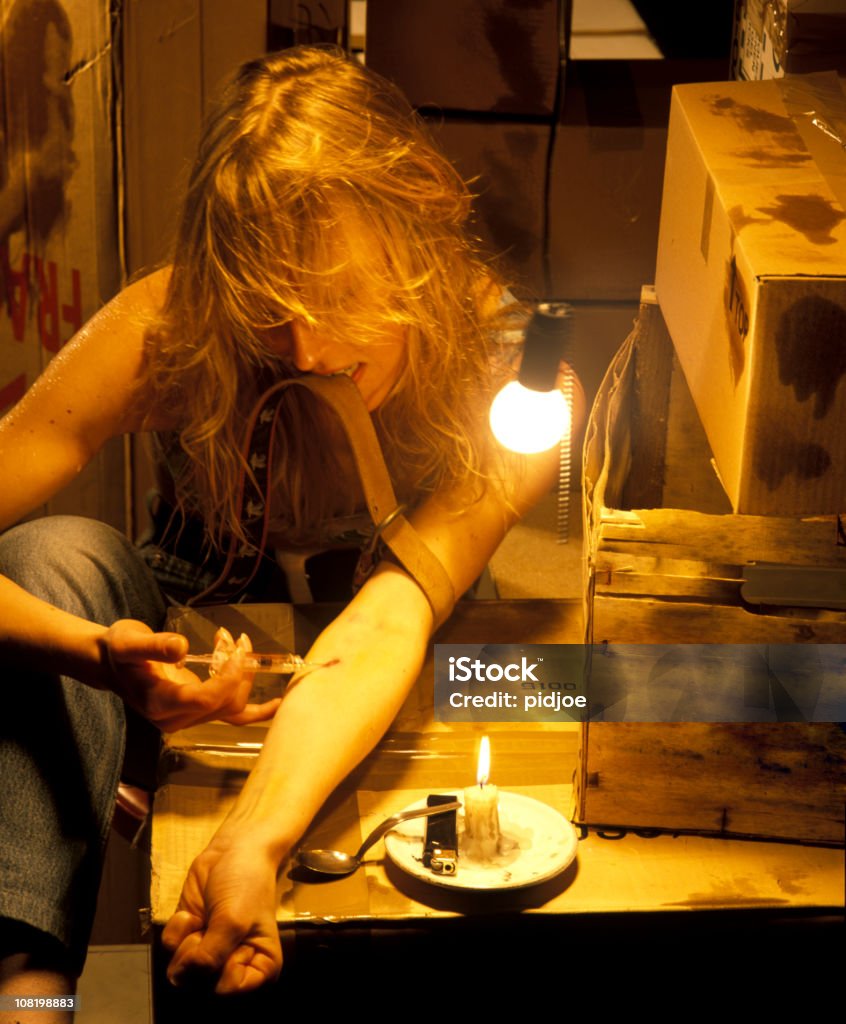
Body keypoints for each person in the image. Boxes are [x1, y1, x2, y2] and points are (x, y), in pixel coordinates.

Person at [0, 44, 583, 1012]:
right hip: (193, 614)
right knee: (54, 553)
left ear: (419, 224)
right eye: (270, 314)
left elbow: (391, 614)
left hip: (393, 640)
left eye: (343, 300)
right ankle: (29, 988)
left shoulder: (508, 370)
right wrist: (95, 649)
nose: (309, 351)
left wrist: (250, 845)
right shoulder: (174, 328)